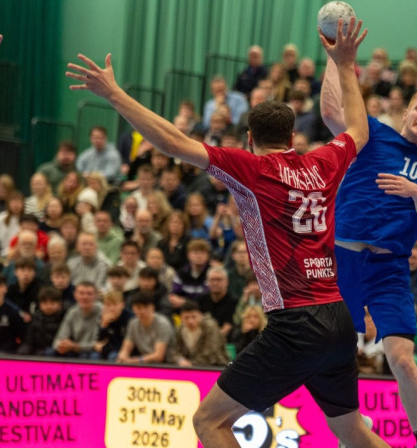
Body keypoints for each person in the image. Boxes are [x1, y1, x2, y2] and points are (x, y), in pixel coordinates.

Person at [66, 17, 388, 447]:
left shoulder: (252, 168)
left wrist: (115, 94)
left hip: (294, 322)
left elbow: (174, 143)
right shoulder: (322, 162)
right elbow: (359, 131)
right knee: (350, 431)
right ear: (292, 136)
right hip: (337, 318)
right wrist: (345, 64)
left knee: (208, 423)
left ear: (250, 137)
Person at [322, 30, 417, 448]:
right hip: (343, 258)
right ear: (407, 111)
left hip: (389, 267)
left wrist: (415, 192)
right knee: (329, 350)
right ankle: (350, 432)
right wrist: (332, 57)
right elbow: (329, 111)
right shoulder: (372, 132)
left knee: (401, 357)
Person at [117, 292, 174, 364]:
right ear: (133, 309)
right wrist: (122, 357)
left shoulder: (163, 324)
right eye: (138, 308)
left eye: (146, 307)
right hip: (144, 362)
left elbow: (159, 356)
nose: (142, 311)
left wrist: (133, 361)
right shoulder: (133, 323)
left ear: (152, 307)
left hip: (165, 364)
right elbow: (126, 348)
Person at [52, 281, 103, 359]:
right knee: (52, 352)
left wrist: (74, 346)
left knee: (91, 356)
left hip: (92, 352)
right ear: (75, 295)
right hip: (75, 349)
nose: (85, 297)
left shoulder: (102, 311)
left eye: (89, 294)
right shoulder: (72, 312)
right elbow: (58, 339)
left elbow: (98, 344)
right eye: (81, 293)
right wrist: (61, 345)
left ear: (96, 296)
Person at [172, 300, 229, 367]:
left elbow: (211, 353)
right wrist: (180, 360)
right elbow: (176, 351)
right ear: (181, 317)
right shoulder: (180, 329)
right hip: (190, 367)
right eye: (186, 318)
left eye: (194, 317)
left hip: (215, 365)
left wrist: (191, 363)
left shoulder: (210, 327)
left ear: (200, 315)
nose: (190, 321)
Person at [0, 273, 24, 353]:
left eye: (0, 286)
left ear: (6, 288)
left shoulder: (13, 311)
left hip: (7, 353)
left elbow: (19, 336)